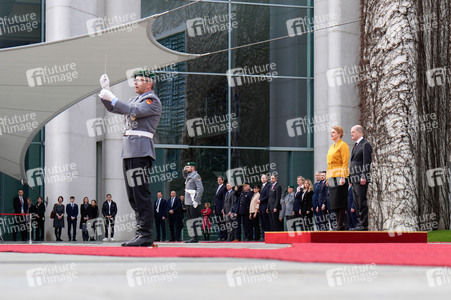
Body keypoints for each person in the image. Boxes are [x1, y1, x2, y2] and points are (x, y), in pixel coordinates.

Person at [99, 70, 162, 247]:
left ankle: (146, 234)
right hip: (129, 150)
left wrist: (112, 97)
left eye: (139, 80)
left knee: (141, 194)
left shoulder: (151, 101)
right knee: (133, 196)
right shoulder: (135, 99)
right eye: (134, 80)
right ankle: (140, 232)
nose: (135, 83)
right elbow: (115, 108)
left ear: (149, 84)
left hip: (141, 150)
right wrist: (105, 92)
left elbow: (132, 111)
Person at [349, 125, 373, 231]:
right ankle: (359, 223)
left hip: (361, 178)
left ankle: (363, 224)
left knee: (361, 201)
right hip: (354, 179)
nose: (351, 134)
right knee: (356, 202)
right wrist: (350, 179)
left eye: (353, 132)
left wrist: (364, 176)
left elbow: (366, 163)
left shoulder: (365, 145)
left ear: (360, 132)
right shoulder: (355, 145)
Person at [326, 126, 350, 231]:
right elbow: (329, 164)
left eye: (333, 132)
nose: (331, 134)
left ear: (339, 134)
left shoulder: (343, 145)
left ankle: (340, 223)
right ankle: (338, 223)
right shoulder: (332, 147)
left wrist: (343, 176)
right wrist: (327, 178)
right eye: (331, 132)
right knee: (334, 202)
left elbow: (345, 162)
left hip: (340, 175)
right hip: (331, 176)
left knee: (340, 200)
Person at [183, 162, 204, 243]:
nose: (186, 168)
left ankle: (195, 237)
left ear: (193, 168)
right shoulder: (189, 176)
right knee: (190, 220)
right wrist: (184, 170)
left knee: (194, 220)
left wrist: (196, 200)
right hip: (188, 201)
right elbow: (184, 175)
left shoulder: (196, 176)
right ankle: (192, 237)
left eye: (188, 167)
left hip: (193, 201)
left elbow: (200, 189)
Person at [257, 174, 270, 239]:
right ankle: (263, 236)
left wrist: (261, 200)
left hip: (265, 206)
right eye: (262, 178)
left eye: (264, 178)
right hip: (261, 206)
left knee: (266, 222)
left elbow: (267, 196)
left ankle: (267, 237)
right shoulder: (262, 186)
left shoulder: (268, 186)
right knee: (262, 222)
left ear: (267, 179)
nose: (263, 179)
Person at [213, 176, 227, 241]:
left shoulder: (224, 188)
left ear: (223, 181)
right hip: (217, 207)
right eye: (218, 179)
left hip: (221, 207)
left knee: (222, 222)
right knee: (219, 223)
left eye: (220, 180)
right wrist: (214, 208)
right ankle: (221, 236)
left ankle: (224, 236)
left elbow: (224, 198)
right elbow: (216, 199)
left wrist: (223, 208)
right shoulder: (217, 188)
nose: (219, 181)